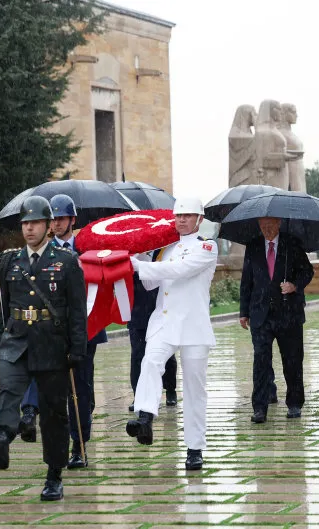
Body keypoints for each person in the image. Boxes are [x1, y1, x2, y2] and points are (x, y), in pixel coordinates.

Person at [0, 196, 86, 501]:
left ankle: (54, 475)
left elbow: (77, 310)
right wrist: (0, 341)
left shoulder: (66, 262)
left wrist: (77, 348)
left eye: (35, 222)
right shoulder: (10, 262)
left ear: (48, 225)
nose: (29, 228)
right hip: (17, 340)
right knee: (8, 388)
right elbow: (5, 307)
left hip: (51, 343)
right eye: (25, 223)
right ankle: (0, 438)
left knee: (53, 412)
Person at [16, 194, 108, 470]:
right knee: (49, 385)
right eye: (53, 219)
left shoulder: (89, 246)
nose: (56, 224)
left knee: (81, 389)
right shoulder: (43, 251)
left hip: (84, 326)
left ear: (72, 220)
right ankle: (33, 416)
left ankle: (79, 445)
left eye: (61, 218)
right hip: (50, 331)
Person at [126, 197, 217, 471]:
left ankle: (194, 448)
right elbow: (151, 283)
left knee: (194, 389)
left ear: (199, 219)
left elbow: (180, 270)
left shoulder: (206, 246)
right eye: (178, 216)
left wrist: (139, 265)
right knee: (150, 362)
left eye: (188, 216)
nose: (182, 220)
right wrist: (141, 254)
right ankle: (145, 417)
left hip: (193, 325)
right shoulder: (165, 249)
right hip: (164, 322)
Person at [239, 217, 314, 424]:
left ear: (279, 223)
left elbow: (308, 271)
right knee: (261, 362)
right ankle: (260, 408)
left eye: (270, 224)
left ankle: (294, 403)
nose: (267, 229)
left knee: (292, 360)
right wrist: (243, 311)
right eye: (263, 225)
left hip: (289, 313)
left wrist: (294, 285)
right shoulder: (253, 246)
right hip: (260, 314)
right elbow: (247, 280)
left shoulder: (292, 244)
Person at [127, 248, 178, 412]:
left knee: (166, 354)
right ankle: (138, 395)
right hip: (137, 309)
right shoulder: (130, 253)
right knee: (138, 354)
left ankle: (170, 390)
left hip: (161, 307)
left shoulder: (164, 251)